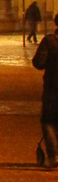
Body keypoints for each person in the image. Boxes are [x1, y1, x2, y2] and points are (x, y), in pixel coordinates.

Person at [33, 25, 58, 168]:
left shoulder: (50, 41)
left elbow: (39, 63)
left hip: (52, 89)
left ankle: (53, 156)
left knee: (48, 121)